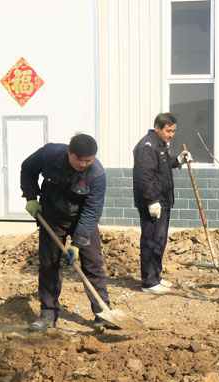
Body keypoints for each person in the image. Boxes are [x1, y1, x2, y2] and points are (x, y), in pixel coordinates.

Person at [21, 134, 112, 331]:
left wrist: (77, 244)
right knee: (49, 264)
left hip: (81, 218)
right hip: (52, 215)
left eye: (89, 160)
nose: (84, 164)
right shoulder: (50, 154)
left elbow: (92, 211)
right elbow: (27, 168)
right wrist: (30, 196)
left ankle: (102, 313)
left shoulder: (96, 174)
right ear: (69, 153)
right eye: (80, 159)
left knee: (93, 265)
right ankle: (48, 313)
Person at [133, 113, 192, 294]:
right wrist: (151, 201)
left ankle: (156, 276)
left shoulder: (160, 145)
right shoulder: (147, 147)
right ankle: (149, 282)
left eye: (173, 131)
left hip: (164, 200)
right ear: (157, 128)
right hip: (153, 203)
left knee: (160, 240)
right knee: (151, 240)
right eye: (168, 131)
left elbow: (163, 167)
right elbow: (144, 177)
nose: (171, 134)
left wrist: (178, 160)